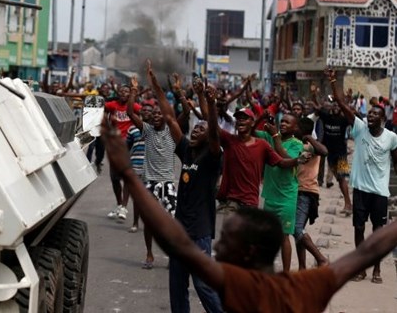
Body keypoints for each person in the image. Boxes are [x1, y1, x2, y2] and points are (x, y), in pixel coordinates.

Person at [101, 114, 397, 313]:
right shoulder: (304, 289)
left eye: (227, 240)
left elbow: (176, 242)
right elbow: (368, 250)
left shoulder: (237, 288)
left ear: (249, 251)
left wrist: (127, 172)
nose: (217, 245)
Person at [326, 68, 397, 284]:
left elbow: (396, 161)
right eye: (369, 114)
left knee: (377, 232)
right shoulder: (359, 128)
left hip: (380, 191)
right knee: (359, 228)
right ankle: (361, 267)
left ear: (382, 119)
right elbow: (342, 105)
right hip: (360, 189)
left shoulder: (391, 138)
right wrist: (333, 84)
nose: (370, 117)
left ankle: (376, 268)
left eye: (376, 114)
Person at [169, 82, 223, 313]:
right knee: (177, 285)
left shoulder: (212, 157)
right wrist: (176, 93)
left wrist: (209, 101)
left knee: (202, 285)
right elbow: (171, 121)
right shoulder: (186, 150)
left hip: (199, 231)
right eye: (194, 128)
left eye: (200, 130)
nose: (195, 131)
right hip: (180, 231)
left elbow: (213, 132)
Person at [127, 62, 179, 270]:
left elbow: (167, 106)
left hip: (168, 183)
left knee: (172, 222)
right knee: (149, 222)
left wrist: (157, 83)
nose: (157, 116)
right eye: (154, 115)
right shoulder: (147, 131)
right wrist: (133, 90)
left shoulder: (172, 132)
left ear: (166, 119)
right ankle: (149, 254)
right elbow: (131, 113)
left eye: (161, 115)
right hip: (149, 183)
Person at [255, 113, 307, 272]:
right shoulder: (268, 137)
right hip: (270, 195)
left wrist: (275, 135)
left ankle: (285, 273)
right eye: (281, 121)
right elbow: (250, 131)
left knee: (284, 236)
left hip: (287, 197)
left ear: (295, 127)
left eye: (287, 122)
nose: (283, 124)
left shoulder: (297, 144)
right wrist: (261, 118)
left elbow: (285, 160)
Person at [294, 117, 330, 269]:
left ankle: (321, 259)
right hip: (297, 190)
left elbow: (324, 151)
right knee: (297, 230)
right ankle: (302, 266)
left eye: (295, 127)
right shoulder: (295, 144)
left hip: (306, 191)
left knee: (297, 229)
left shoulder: (310, 145)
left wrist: (309, 137)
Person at [104, 84, 140, 220]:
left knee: (126, 176)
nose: (123, 93)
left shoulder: (134, 107)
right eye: (121, 91)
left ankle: (124, 207)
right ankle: (119, 205)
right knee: (114, 178)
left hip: (129, 145)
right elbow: (100, 108)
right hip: (114, 144)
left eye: (126, 91)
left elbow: (143, 116)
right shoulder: (112, 105)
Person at [125, 100, 154, 232]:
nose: (147, 112)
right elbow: (127, 147)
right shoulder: (132, 129)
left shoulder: (157, 129)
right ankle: (135, 222)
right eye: (145, 110)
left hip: (152, 169)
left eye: (150, 111)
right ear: (140, 112)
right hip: (136, 168)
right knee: (137, 199)